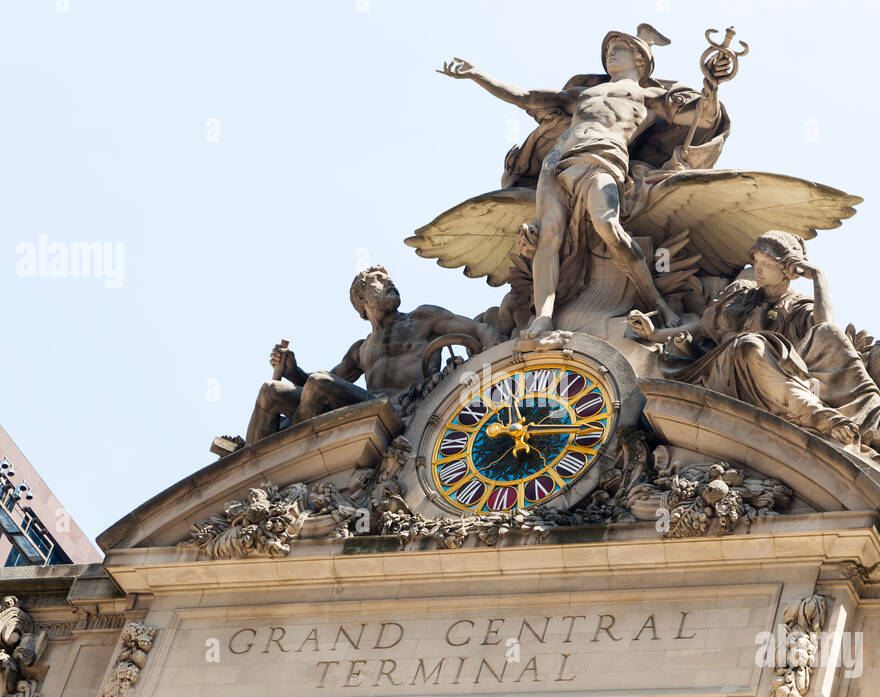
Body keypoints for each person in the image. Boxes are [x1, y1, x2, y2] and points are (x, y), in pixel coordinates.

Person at [439, 25, 730, 337]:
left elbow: (704, 115)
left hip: (604, 160)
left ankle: (656, 301)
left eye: (618, 49)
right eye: (608, 50)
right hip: (558, 163)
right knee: (549, 235)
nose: (609, 54)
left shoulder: (649, 96)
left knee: (610, 228)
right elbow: (525, 98)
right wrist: (477, 75)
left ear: (639, 59)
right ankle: (544, 317)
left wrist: (711, 83)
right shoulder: (581, 95)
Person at [627, 231, 880, 447]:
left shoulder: (797, 305)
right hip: (717, 374)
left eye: (767, 265)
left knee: (766, 343)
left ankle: (841, 412)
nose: (758, 271)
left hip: (769, 380)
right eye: (756, 263)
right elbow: (701, 328)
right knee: (749, 344)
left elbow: (824, 327)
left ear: (789, 270)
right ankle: (816, 415)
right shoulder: (740, 295)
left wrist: (818, 277)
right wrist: (654, 334)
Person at [245, 266, 498, 444]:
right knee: (270, 391)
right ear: (361, 296)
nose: (391, 283)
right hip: (366, 406)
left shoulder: (422, 318)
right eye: (380, 279)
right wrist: (293, 372)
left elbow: (478, 330)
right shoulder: (361, 349)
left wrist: (496, 367)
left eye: (390, 280)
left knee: (318, 383)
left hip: (402, 408)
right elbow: (325, 382)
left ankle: (293, 451)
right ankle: (251, 473)